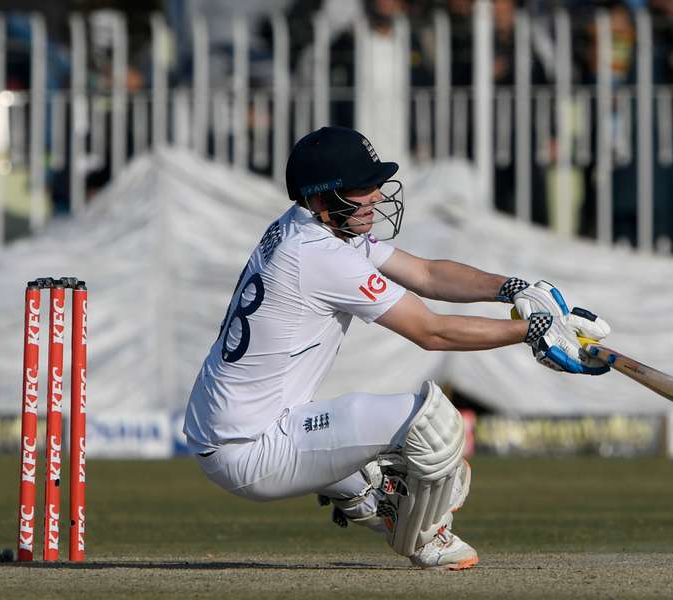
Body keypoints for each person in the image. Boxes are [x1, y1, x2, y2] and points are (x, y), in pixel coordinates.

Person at [182, 125, 611, 570]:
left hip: (236, 428)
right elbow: (431, 331)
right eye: (361, 188)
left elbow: (426, 274)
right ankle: (423, 537)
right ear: (322, 197)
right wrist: (531, 331)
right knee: (437, 425)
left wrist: (514, 290)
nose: (376, 197)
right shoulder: (318, 254)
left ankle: (369, 494)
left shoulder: (309, 229)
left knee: (392, 446)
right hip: (252, 446)